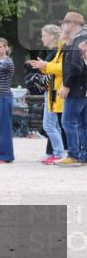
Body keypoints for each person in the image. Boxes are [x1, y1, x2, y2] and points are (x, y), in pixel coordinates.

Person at [28, 25, 65, 164]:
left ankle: (59, 153)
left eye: (44, 35)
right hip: (51, 91)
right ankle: (57, 152)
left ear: (52, 36)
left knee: (49, 125)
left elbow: (52, 73)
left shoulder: (57, 52)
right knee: (53, 125)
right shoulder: (54, 52)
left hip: (54, 92)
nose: (42, 38)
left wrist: (42, 72)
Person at [56, 11, 87, 166]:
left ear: (74, 24)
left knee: (68, 121)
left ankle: (74, 155)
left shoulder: (79, 40)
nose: (63, 25)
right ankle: (84, 155)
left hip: (75, 87)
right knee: (83, 122)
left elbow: (76, 66)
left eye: (66, 22)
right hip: (83, 87)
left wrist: (67, 85)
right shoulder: (79, 39)